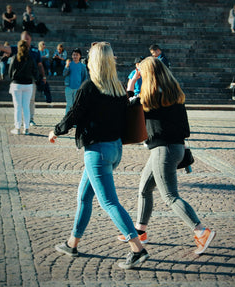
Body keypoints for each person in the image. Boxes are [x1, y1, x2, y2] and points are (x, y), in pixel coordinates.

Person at [49, 42, 149, 270]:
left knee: (109, 202)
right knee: (84, 196)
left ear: (92, 61)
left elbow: (73, 114)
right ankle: (72, 243)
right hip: (114, 149)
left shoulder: (89, 87)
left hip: (98, 152)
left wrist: (55, 130)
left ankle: (137, 249)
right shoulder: (116, 88)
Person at [117, 56, 216, 255]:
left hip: (164, 150)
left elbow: (125, 107)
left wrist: (131, 84)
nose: (141, 75)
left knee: (170, 196)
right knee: (144, 188)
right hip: (174, 147)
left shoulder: (150, 96)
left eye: (143, 72)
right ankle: (140, 231)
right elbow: (184, 127)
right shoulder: (173, 93)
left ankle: (201, 231)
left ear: (150, 74)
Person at [0, 31, 47, 126]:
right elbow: (3, 48)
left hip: (30, 80)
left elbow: (40, 65)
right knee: (19, 104)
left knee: (31, 100)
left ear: (30, 39)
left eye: (27, 39)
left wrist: (43, 76)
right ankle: (21, 122)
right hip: (19, 81)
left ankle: (30, 119)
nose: (25, 41)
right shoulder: (17, 49)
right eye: (23, 39)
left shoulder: (35, 50)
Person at [9, 40, 37, 135]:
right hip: (28, 84)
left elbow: (10, 73)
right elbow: (35, 72)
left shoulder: (14, 58)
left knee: (17, 107)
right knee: (26, 107)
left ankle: (17, 128)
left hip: (17, 84)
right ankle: (26, 128)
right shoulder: (31, 58)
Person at [63, 48, 88, 113]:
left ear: (80, 56)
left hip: (78, 88)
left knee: (76, 105)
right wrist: (67, 66)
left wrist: (82, 87)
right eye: (73, 55)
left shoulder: (82, 66)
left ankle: (74, 120)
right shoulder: (69, 64)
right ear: (71, 56)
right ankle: (67, 118)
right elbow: (64, 74)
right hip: (69, 87)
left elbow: (84, 77)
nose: (75, 56)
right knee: (69, 104)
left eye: (77, 55)